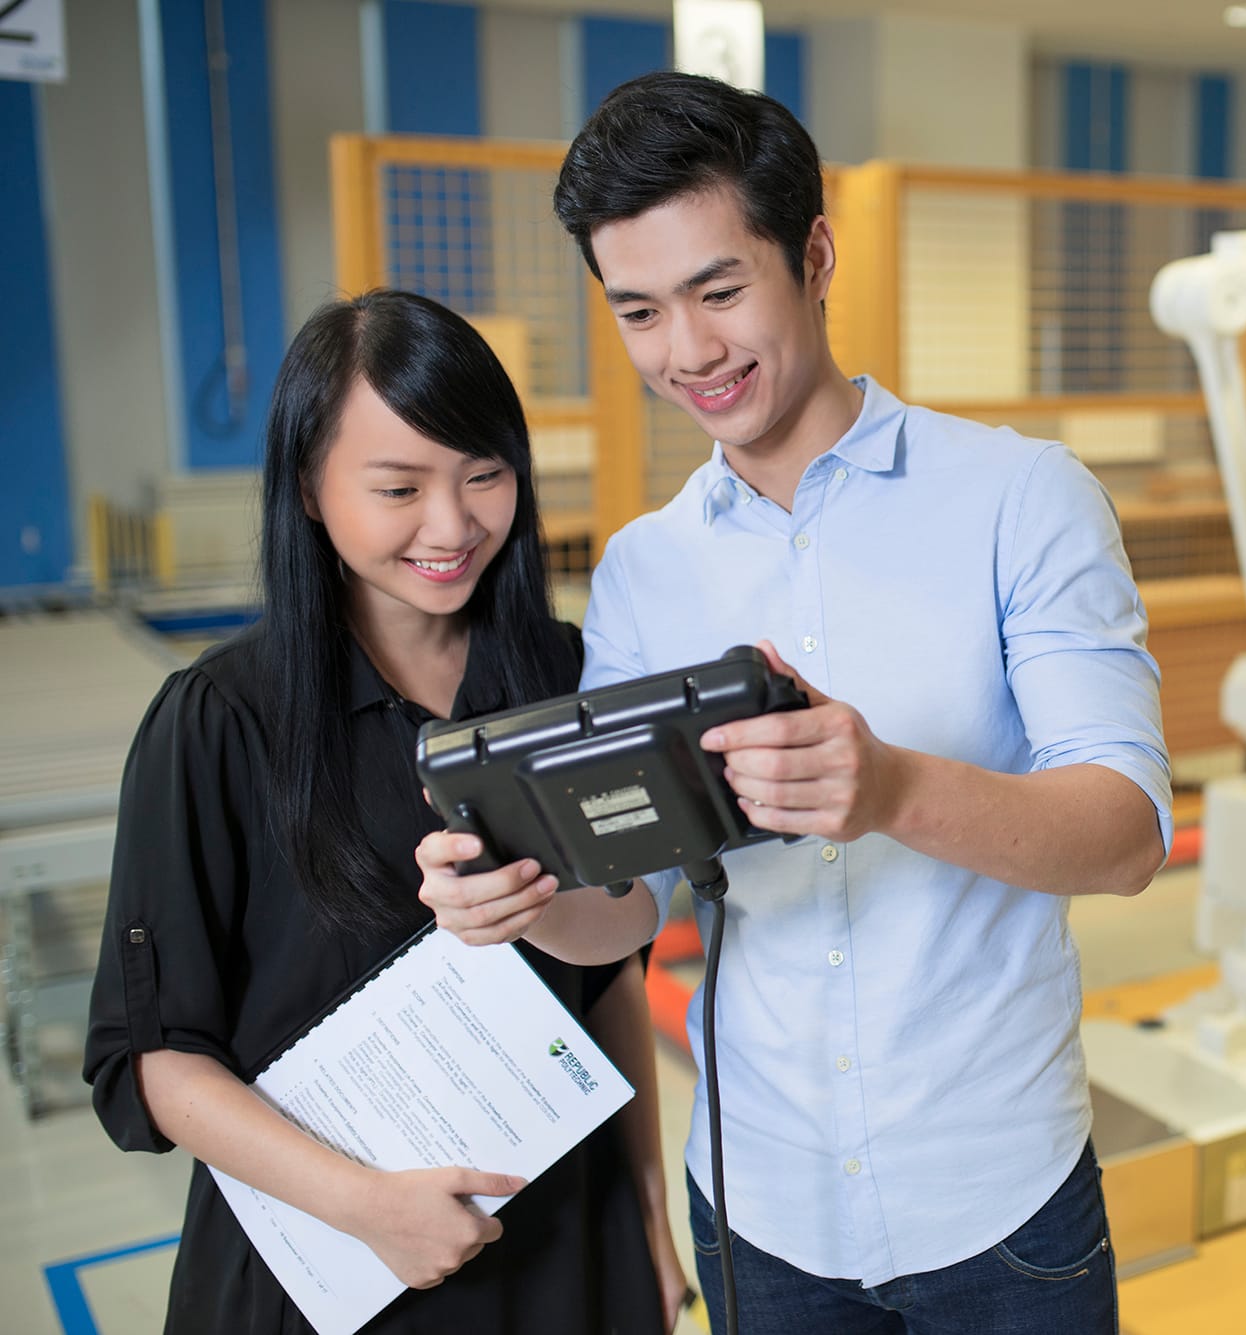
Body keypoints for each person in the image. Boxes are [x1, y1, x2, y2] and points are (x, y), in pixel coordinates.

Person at [417, 73, 1172, 1334]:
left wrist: (890, 790)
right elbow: (628, 910)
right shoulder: (646, 568)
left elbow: (1128, 836)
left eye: (720, 292)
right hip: (757, 1209)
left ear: (814, 254)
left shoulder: (1020, 499)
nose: (689, 352)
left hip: (997, 1197)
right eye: (641, 312)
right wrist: (526, 901)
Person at [84, 290, 687, 1333]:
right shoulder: (221, 723)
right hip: (328, 1264)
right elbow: (156, 1055)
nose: (451, 526)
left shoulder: (568, 675)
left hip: (562, 1258)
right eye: (398, 487)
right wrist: (369, 1207)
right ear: (311, 489)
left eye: (484, 476)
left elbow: (608, 983)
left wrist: (645, 1208)